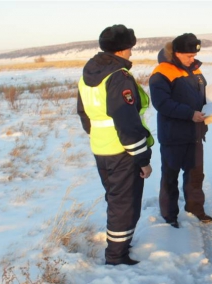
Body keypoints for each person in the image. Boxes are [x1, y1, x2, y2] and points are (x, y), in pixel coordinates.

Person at [77, 24, 154, 266]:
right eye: (130, 48)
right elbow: (127, 121)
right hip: (122, 151)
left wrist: (98, 136)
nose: (132, 53)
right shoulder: (118, 77)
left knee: (116, 199)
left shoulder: (87, 75)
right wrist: (142, 158)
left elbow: (84, 114)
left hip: (101, 148)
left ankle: (119, 246)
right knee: (124, 204)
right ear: (122, 50)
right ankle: (116, 256)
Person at [149, 33, 212, 228]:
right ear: (176, 53)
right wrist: (189, 114)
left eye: (194, 55)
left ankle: (195, 208)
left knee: (195, 175)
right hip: (173, 135)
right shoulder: (161, 72)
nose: (192, 59)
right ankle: (169, 216)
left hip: (194, 133)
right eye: (188, 56)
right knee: (170, 176)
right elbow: (162, 104)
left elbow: (201, 94)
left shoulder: (195, 70)